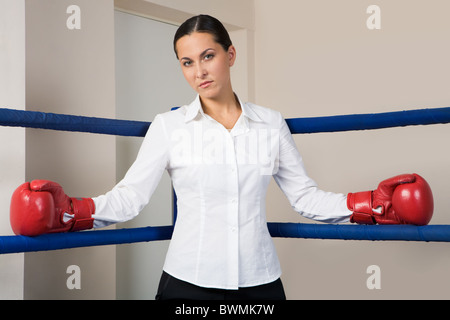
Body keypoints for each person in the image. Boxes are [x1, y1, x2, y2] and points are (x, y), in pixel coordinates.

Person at [10, 15, 434, 300]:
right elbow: (130, 198)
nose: (200, 72)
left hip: (260, 283)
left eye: (208, 56)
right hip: (187, 284)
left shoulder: (270, 124)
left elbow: (306, 198)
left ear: (230, 55)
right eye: (187, 62)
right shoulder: (169, 127)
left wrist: (375, 205)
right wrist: (68, 213)